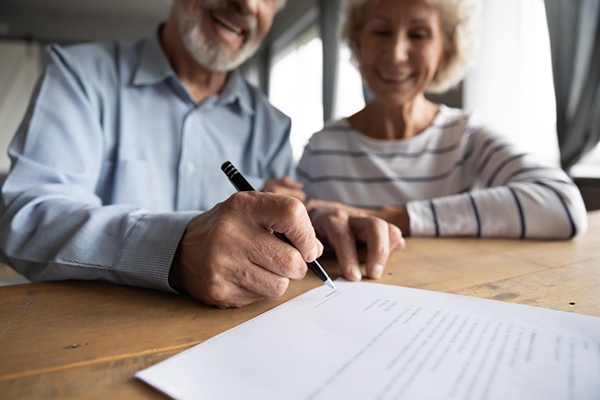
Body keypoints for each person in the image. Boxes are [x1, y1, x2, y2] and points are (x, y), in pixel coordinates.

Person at [0, 0, 404, 309]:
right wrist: (174, 248)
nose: (247, 3)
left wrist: (314, 226)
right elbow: (25, 220)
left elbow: (275, 226)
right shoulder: (79, 77)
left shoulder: (272, 124)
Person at [298, 0, 587, 240]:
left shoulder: (466, 137)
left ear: (446, 52)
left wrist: (394, 217)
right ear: (358, 43)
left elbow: (564, 205)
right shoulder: (320, 147)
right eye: (382, 31)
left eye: (419, 34)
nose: (396, 54)